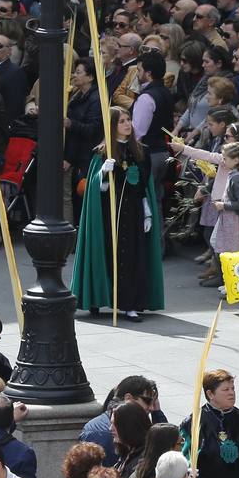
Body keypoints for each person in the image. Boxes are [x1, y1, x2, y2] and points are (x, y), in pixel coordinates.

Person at [71, 107, 165, 320]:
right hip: (107, 214)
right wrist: (102, 174)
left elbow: (144, 188)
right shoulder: (102, 153)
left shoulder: (142, 152)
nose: (127, 124)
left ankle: (129, 304)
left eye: (129, 119)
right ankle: (98, 299)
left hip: (133, 213)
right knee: (106, 254)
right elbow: (95, 190)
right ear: (112, 125)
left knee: (132, 256)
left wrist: (148, 213)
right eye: (122, 121)